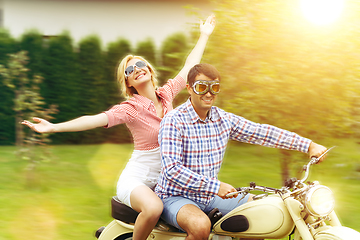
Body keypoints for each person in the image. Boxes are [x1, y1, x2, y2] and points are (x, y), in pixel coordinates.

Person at [21, 15, 216, 240]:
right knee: (153, 209)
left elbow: (189, 66)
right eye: (129, 70)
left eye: (140, 64)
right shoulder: (130, 108)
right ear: (129, 83)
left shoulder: (167, 94)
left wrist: (204, 35)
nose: (136, 69)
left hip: (165, 181)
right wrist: (53, 127)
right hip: (137, 180)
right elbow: (94, 119)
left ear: (150, 71)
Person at [155, 63, 328, 240]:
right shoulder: (173, 121)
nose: (208, 93)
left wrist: (308, 145)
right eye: (201, 87)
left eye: (214, 88)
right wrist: (216, 186)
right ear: (189, 89)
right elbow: (172, 170)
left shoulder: (223, 119)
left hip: (210, 197)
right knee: (200, 226)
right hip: (175, 197)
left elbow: (262, 132)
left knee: (262, 213)